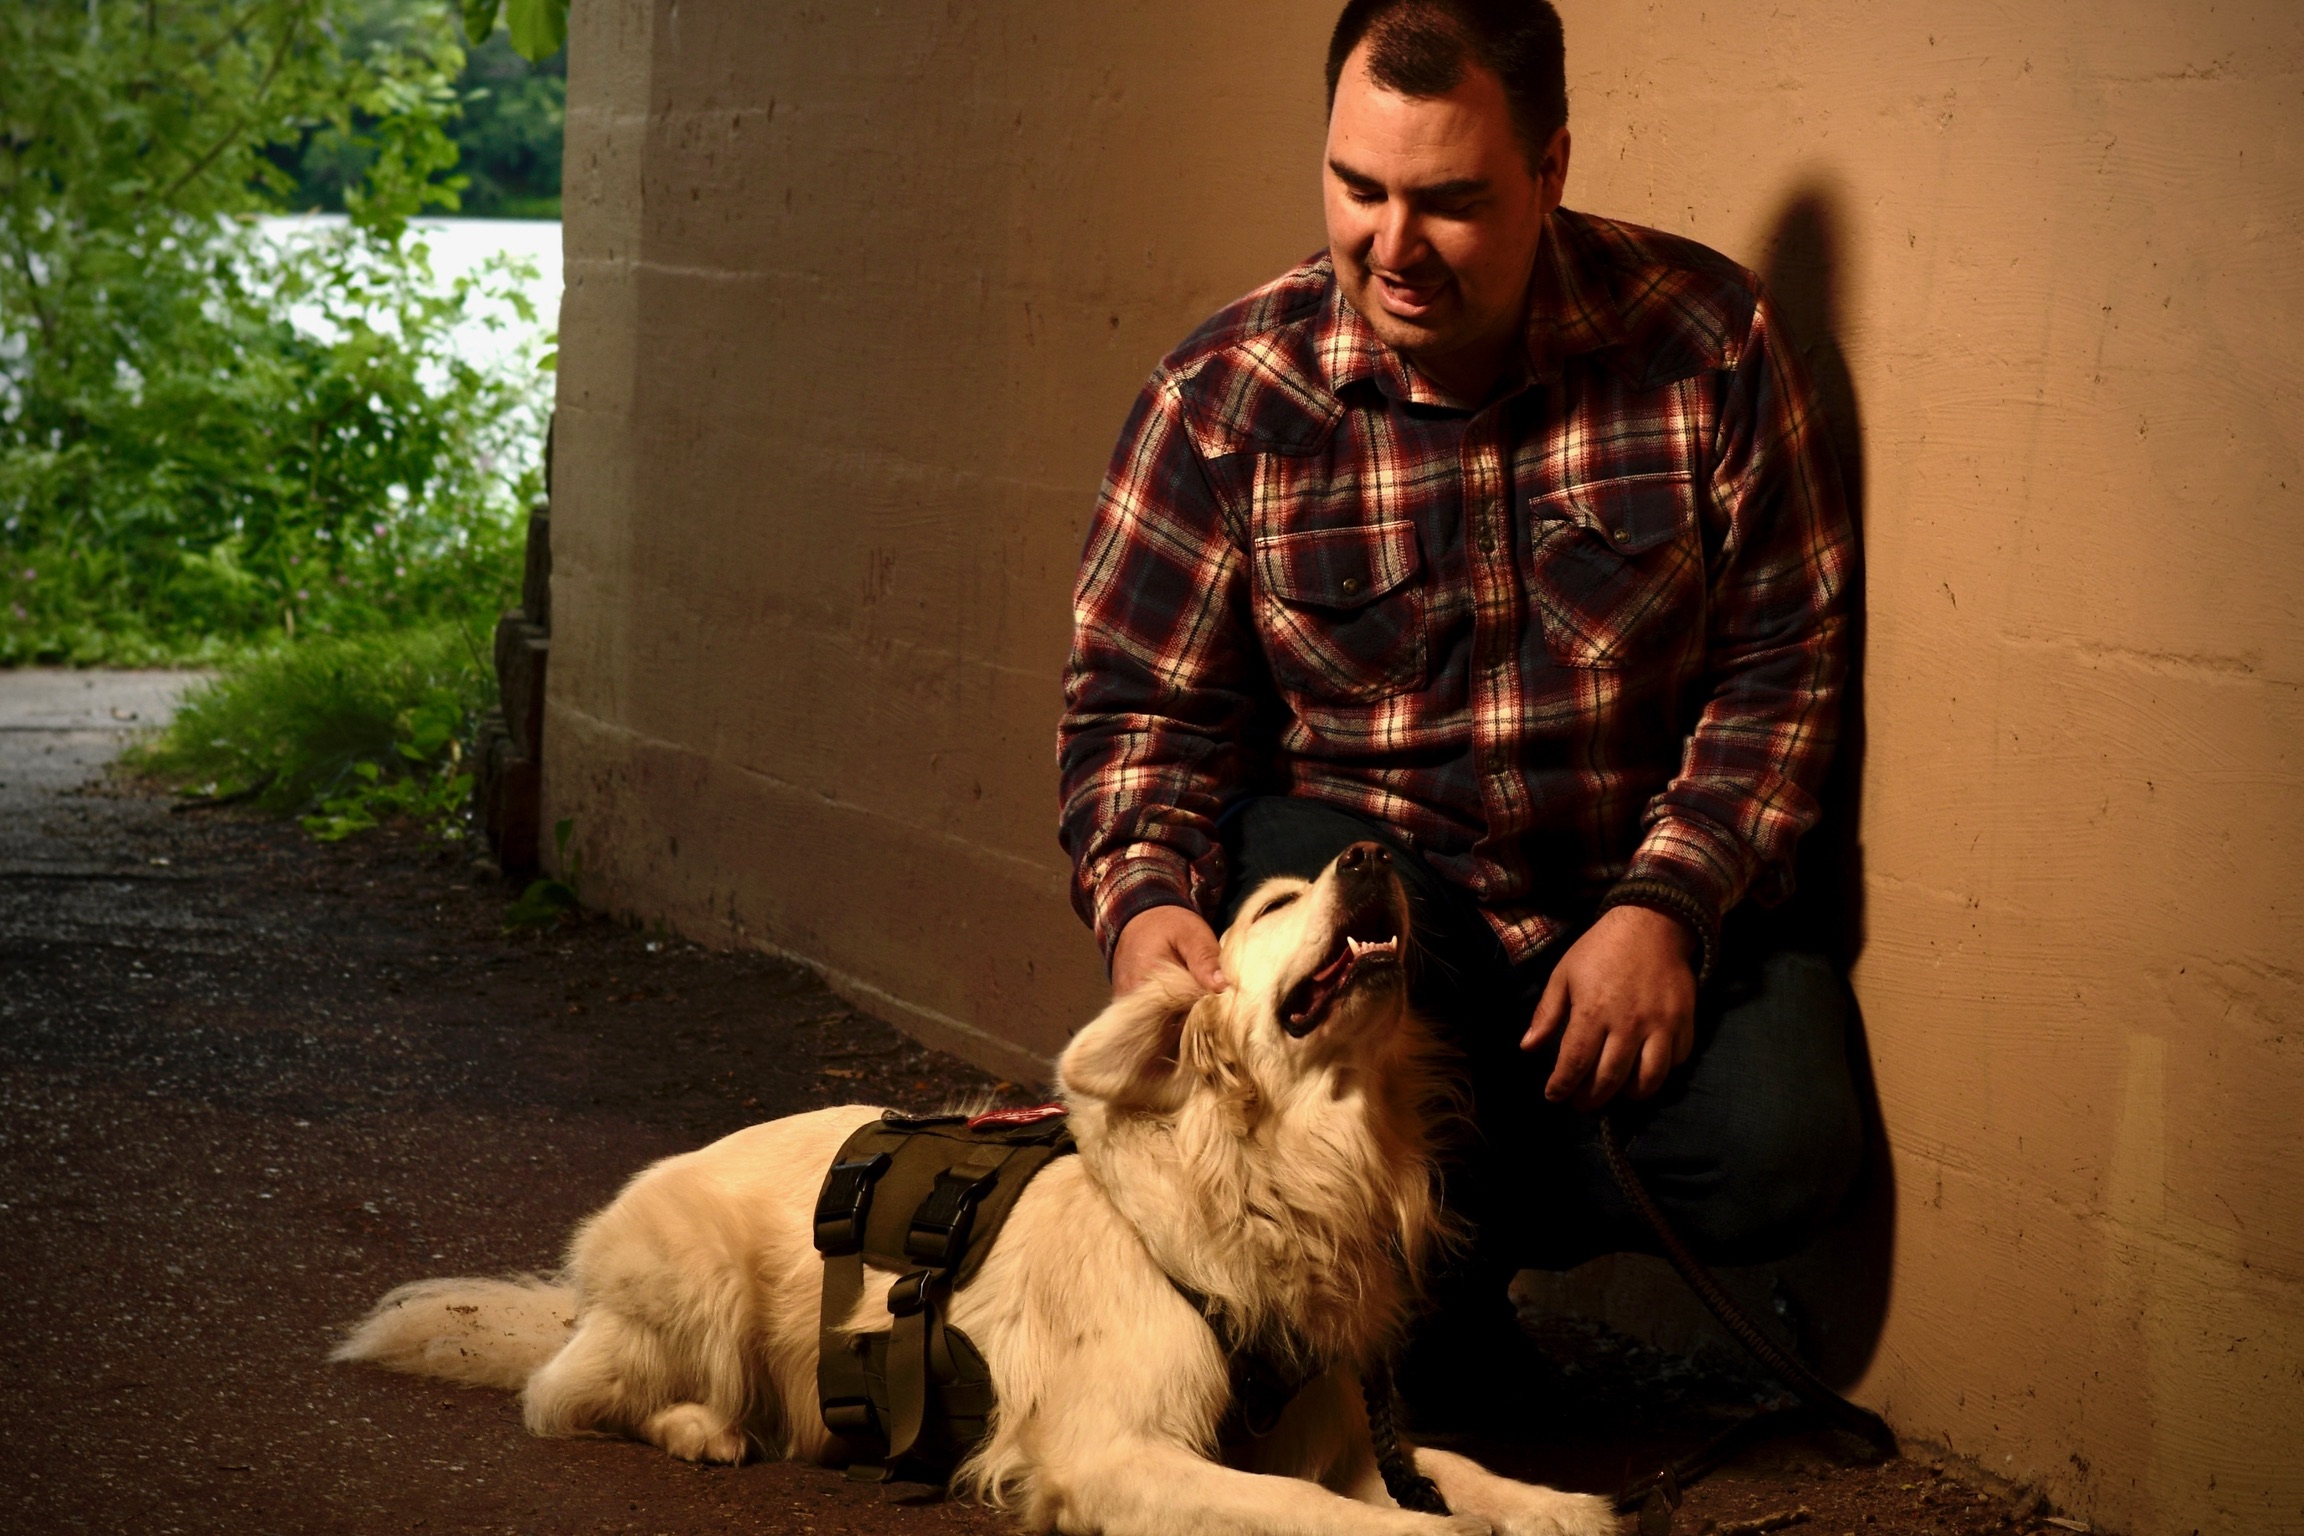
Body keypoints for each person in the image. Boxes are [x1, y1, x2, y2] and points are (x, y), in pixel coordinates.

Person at [1057, 0, 1863, 1418]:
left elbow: (1780, 669)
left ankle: (1438, 1274)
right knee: (1277, 858)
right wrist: (1141, 904)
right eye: (1357, 187)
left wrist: (1668, 904)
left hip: (1609, 919)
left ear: (1550, 169)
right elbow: (1138, 718)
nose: (1392, 244)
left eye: (1449, 201)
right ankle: (1416, 1311)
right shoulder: (1221, 401)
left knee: (1784, 1143)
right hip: (1384, 929)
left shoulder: (1709, 344)